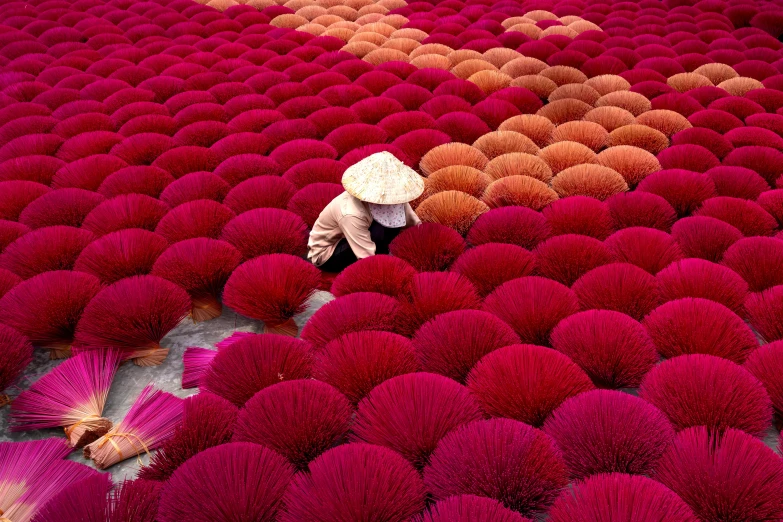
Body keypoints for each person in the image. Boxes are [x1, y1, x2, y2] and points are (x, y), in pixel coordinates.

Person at [308, 151, 424, 272]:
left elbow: (412, 225)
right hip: (329, 252)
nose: (391, 198)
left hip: (359, 235)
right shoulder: (350, 212)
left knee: (393, 221)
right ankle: (381, 258)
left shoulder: (394, 196)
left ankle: (381, 254)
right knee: (378, 233)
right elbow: (365, 257)